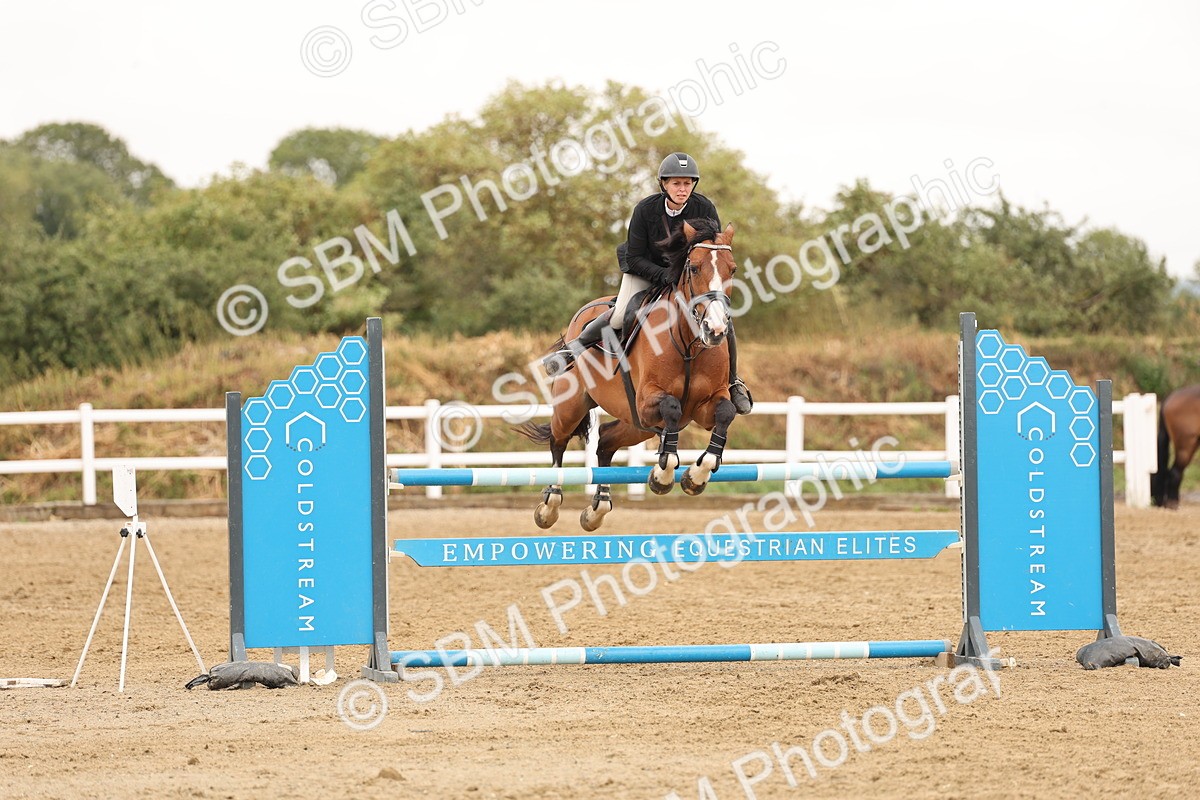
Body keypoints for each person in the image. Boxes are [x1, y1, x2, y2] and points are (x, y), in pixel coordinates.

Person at [542, 152, 753, 414]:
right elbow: (634, 256)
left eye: (687, 183)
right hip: (644, 269)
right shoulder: (645, 210)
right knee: (621, 314)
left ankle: (733, 382)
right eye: (676, 183)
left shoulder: (705, 208)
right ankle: (571, 351)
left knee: (722, 318)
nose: (682, 189)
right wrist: (663, 276)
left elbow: (713, 252)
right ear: (663, 184)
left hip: (688, 276)